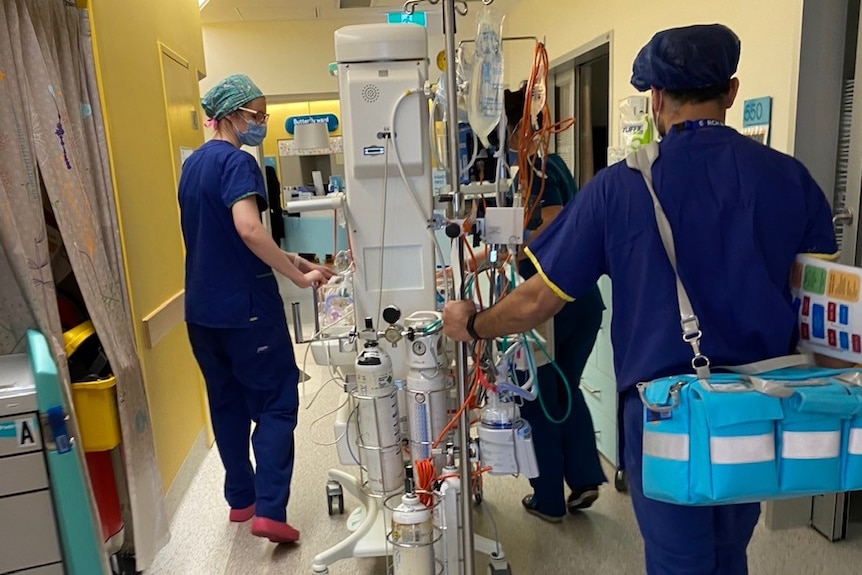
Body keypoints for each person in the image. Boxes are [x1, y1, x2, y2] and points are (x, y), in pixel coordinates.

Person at [443, 25, 838, 574]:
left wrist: (475, 323)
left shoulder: (620, 188)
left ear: (654, 99)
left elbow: (536, 301)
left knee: (680, 559)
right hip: (756, 406)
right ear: (731, 91)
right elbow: (823, 308)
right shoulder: (789, 180)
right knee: (730, 549)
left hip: (666, 412)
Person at [178, 73, 334, 544]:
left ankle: (241, 501)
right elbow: (248, 228)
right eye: (258, 115)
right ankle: (270, 510)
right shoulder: (238, 163)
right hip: (246, 313)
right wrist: (294, 276)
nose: (261, 123)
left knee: (226, 405)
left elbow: (227, 239)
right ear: (230, 115)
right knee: (275, 404)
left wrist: (295, 259)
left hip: (202, 312)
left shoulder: (193, 165)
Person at [499, 85, 607, 522]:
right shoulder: (549, 164)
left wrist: (508, 247)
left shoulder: (537, 168)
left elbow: (551, 227)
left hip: (555, 303)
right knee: (563, 388)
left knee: (538, 397)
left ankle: (548, 500)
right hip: (580, 300)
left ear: (518, 126)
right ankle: (583, 480)